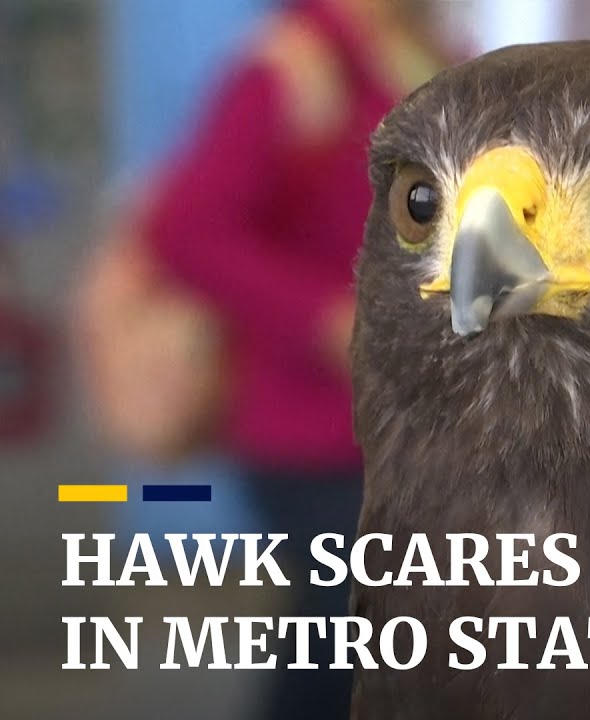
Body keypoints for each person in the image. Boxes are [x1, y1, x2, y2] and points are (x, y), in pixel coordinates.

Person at [136, 1, 468, 717]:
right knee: (345, 633)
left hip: (418, 424)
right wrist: (325, 317)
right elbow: (187, 230)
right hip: (313, 427)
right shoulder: (292, 64)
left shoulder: (434, 51)